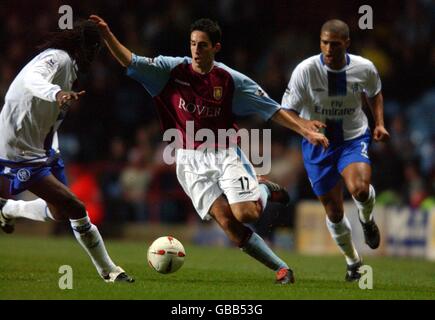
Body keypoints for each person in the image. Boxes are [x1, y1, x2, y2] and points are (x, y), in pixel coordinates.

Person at [89, 15, 329, 284]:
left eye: (202, 45)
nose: (195, 50)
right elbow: (130, 60)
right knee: (229, 224)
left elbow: (271, 109)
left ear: (216, 47)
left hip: (225, 153)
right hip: (189, 161)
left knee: (247, 214)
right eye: (192, 44)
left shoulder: (229, 80)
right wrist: (107, 35)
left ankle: (263, 189)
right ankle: (282, 269)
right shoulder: (170, 70)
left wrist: (305, 129)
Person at [0, 20, 134, 283]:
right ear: (85, 47)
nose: (95, 57)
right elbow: (31, 79)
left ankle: (8, 209)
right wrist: (56, 92)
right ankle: (109, 271)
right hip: (17, 150)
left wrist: (53, 148)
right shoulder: (57, 58)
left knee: (59, 211)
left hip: (42, 149)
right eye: (95, 50)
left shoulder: (70, 70)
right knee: (75, 207)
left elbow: (49, 118)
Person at [281, 19, 390, 281]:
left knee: (360, 189)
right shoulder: (305, 70)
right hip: (317, 144)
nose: (329, 49)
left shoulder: (364, 68)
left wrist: (379, 124)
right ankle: (353, 262)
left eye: (335, 44)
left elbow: (375, 92)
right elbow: (285, 110)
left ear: (347, 44)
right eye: (324, 43)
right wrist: (306, 125)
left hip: (352, 138)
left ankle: (366, 220)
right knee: (334, 211)